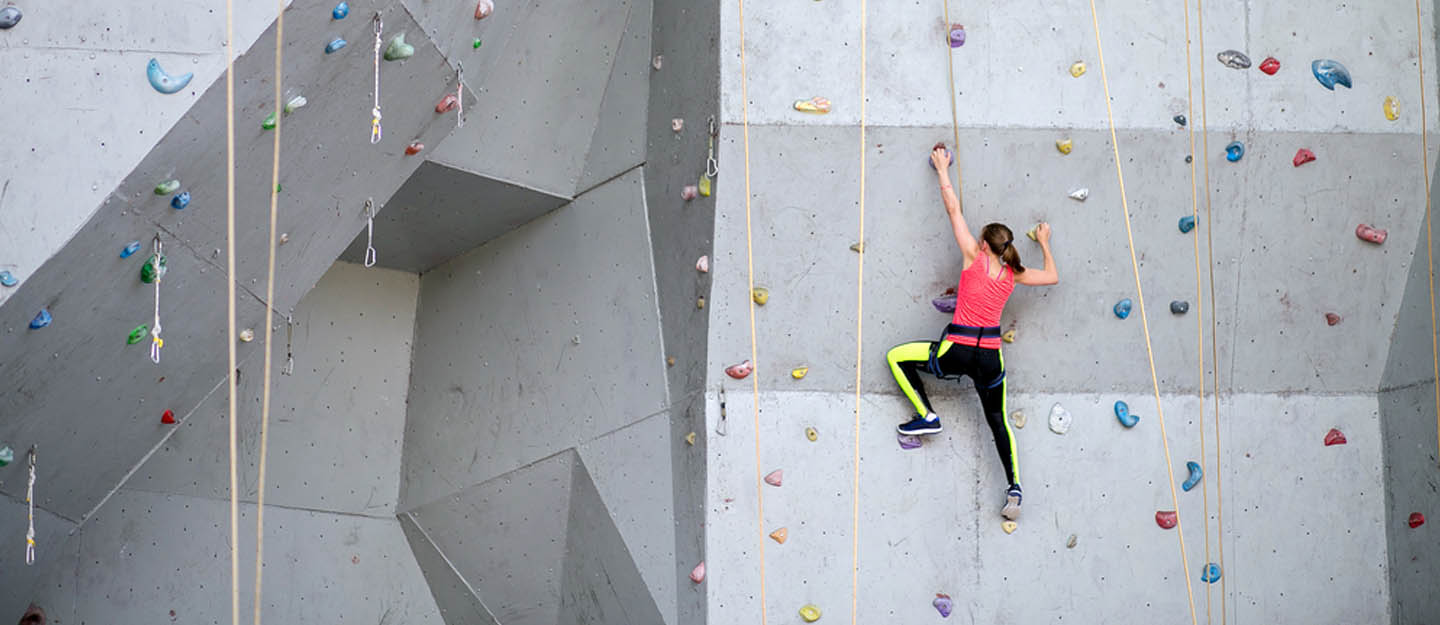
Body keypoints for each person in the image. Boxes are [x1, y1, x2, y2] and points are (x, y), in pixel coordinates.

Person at [885, 144, 1058, 521]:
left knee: (897, 357)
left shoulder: (972, 256)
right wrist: (1044, 243)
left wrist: (942, 168)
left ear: (984, 245)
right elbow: (1053, 276)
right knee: (998, 422)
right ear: (1007, 247)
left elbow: (953, 209)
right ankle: (1014, 487)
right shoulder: (1015, 273)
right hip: (989, 359)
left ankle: (926, 416)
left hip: (956, 351)